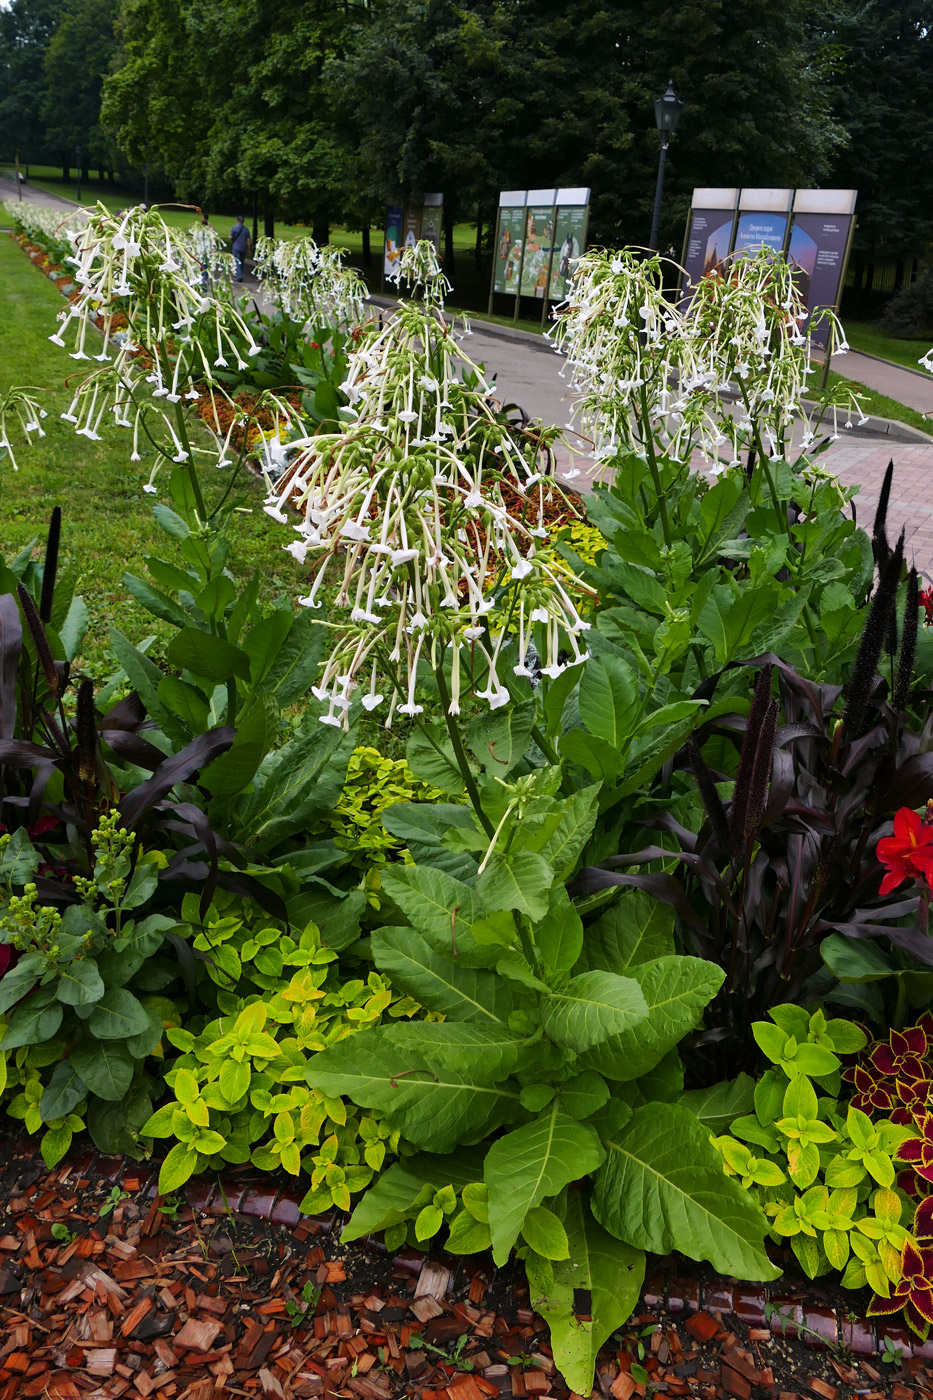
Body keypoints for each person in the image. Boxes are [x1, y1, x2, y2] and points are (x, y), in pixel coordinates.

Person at [230, 214, 251, 282]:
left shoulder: (234, 228)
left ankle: (239, 276)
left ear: (237, 221)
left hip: (236, 247)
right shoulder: (246, 229)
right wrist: (248, 248)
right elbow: (248, 239)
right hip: (243, 247)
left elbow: (230, 237)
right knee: (241, 262)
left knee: (237, 261)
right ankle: (240, 274)